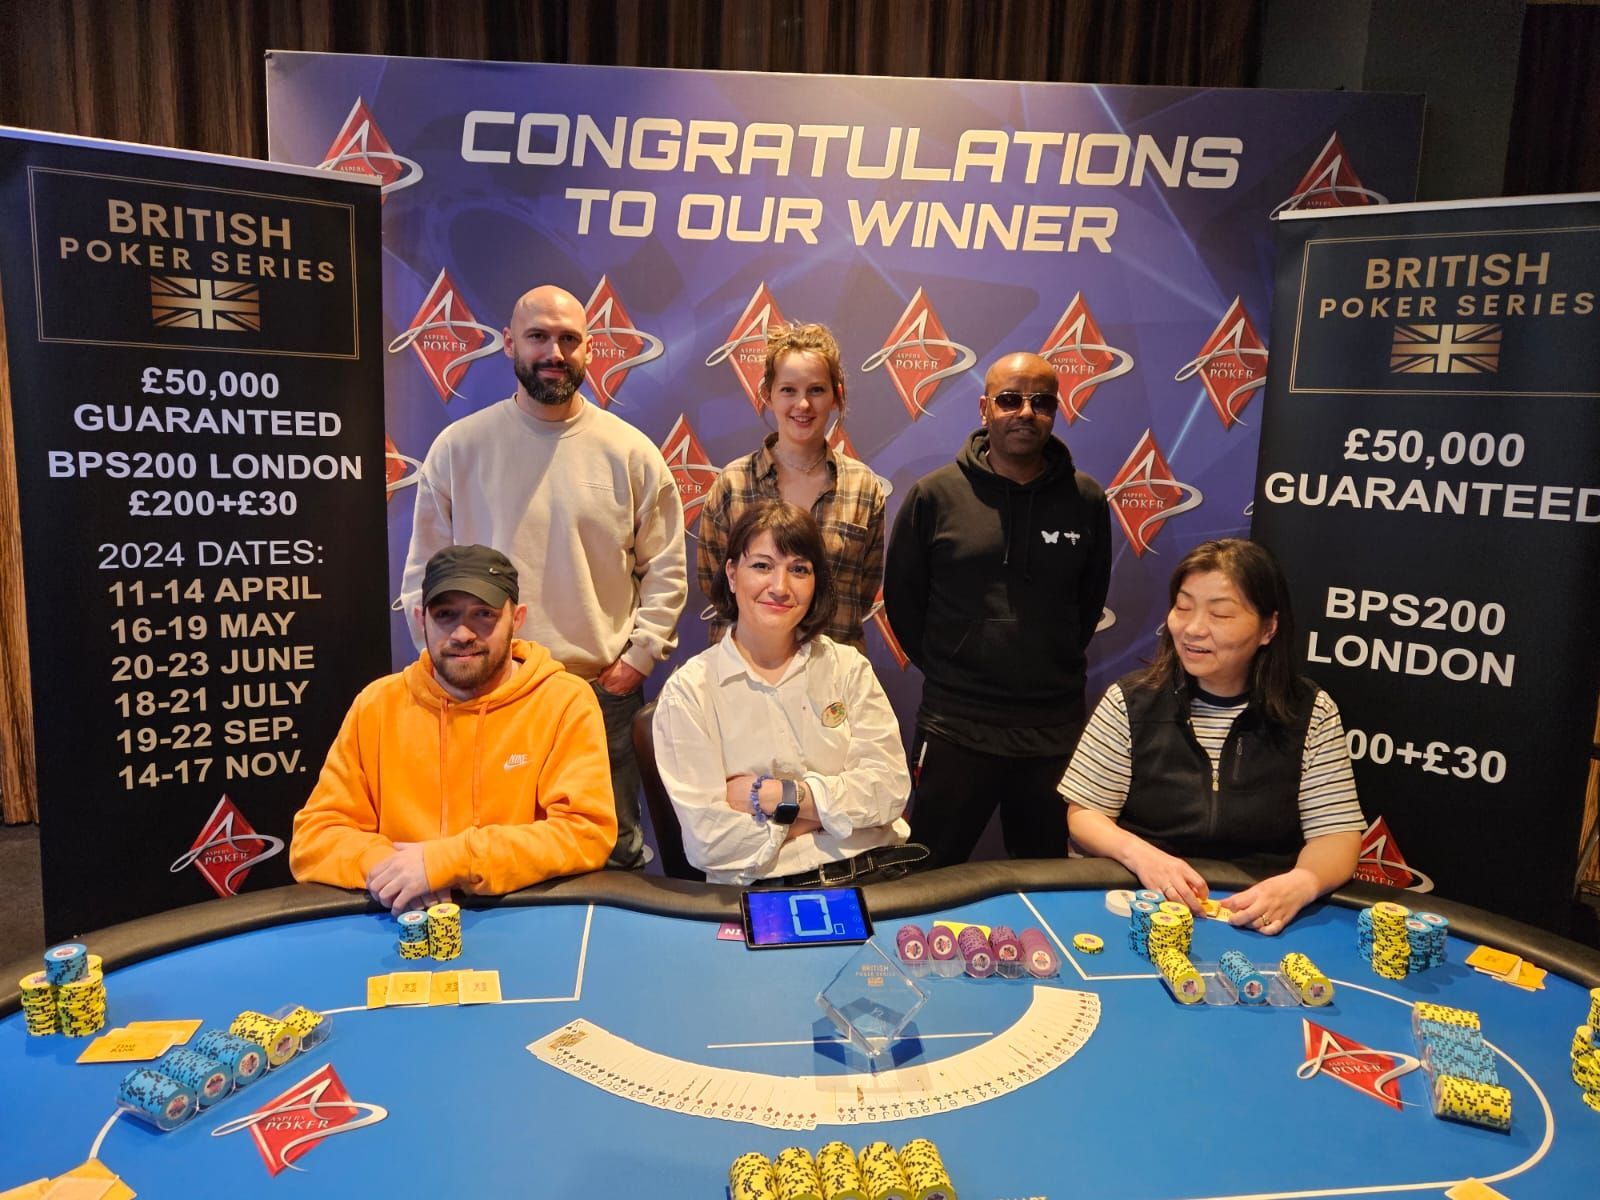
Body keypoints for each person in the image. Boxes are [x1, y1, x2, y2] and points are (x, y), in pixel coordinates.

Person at [399, 284, 687, 870]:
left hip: (599, 694)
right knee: (484, 859)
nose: (554, 352)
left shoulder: (630, 453)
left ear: (588, 349)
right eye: (538, 337)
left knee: (609, 855)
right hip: (485, 691)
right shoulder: (460, 447)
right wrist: (451, 671)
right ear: (509, 343)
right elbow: (421, 576)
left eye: (569, 339)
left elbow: (666, 567)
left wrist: (638, 658)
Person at [1060, 538, 1364, 934]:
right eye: (1183, 608)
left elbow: (1337, 837)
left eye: (1220, 614)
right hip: (1145, 903)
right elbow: (1085, 814)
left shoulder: (1311, 710)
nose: (1193, 629)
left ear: (1268, 629)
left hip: (1258, 909)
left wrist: (1300, 884)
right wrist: (1142, 856)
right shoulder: (1130, 700)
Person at [291, 545, 616, 914]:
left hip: (522, 917)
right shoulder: (376, 705)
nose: (462, 633)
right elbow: (314, 837)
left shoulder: (565, 701)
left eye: (483, 615)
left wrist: (448, 862)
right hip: (400, 921)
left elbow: (586, 834)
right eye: (446, 614)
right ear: (420, 619)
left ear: (518, 619)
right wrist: (392, 869)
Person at [883, 351, 1111, 869]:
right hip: (955, 723)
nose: (1025, 412)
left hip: (1051, 731)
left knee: (1045, 876)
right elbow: (903, 603)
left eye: (1041, 402)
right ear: (985, 408)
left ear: (1057, 411)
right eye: (1010, 399)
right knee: (926, 872)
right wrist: (955, 664)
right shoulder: (933, 496)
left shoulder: (1087, 501)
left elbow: (1088, 603)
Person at [653, 500, 923, 886]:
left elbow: (890, 791)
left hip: (871, 870)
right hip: (761, 888)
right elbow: (709, 843)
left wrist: (773, 797)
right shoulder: (690, 691)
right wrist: (827, 816)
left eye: (799, 569)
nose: (780, 587)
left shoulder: (848, 668)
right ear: (732, 574)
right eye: (762, 565)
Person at [697, 322, 885, 650]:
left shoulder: (863, 486)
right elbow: (715, 583)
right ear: (767, 395)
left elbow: (864, 591)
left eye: (816, 390)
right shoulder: (733, 482)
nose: (802, 405)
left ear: (836, 397)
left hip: (834, 675)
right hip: (743, 674)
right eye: (788, 390)